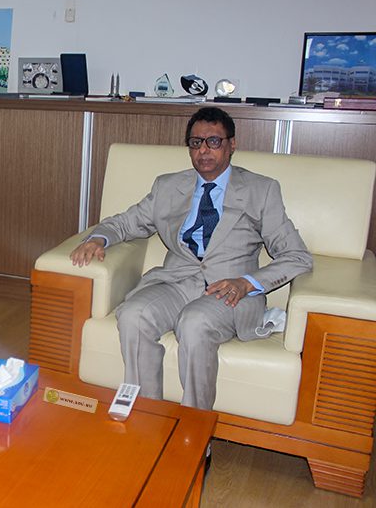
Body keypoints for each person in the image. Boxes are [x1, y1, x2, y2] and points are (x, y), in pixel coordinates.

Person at [70, 106, 313, 412]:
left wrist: (247, 283)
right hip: (176, 282)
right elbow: (125, 223)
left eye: (214, 141)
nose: (203, 151)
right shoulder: (168, 186)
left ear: (232, 144)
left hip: (230, 291)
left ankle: (193, 424)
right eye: (196, 143)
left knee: (194, 323)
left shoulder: (261, 190)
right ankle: (147, 416)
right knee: (133, 314)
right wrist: (97, 239)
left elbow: (297, 256)